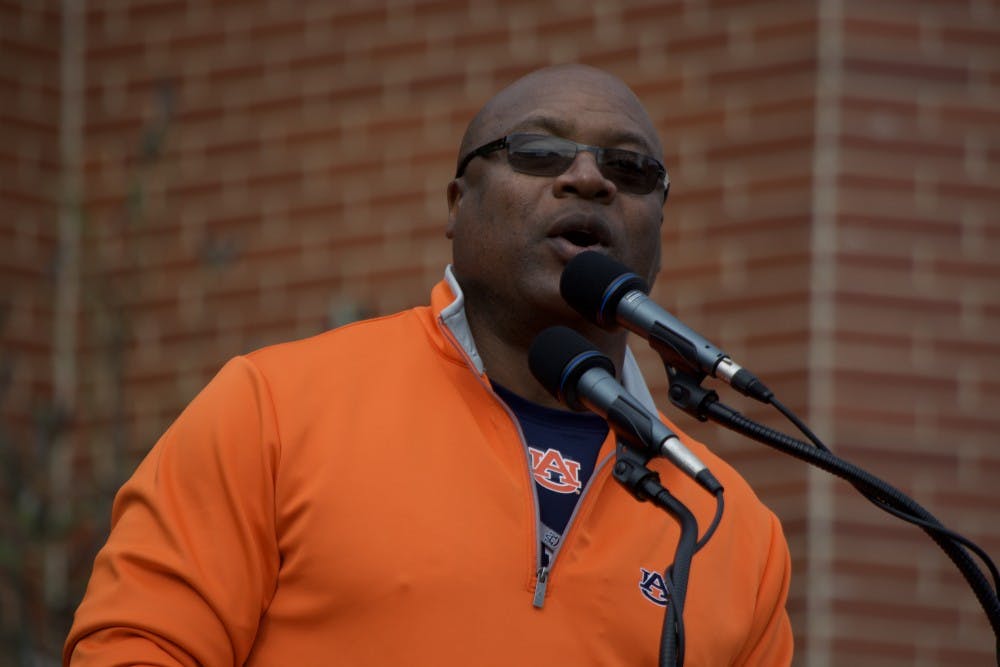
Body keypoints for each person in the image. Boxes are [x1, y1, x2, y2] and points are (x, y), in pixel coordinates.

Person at [64, 64, 793, 666]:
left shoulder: (730, 523)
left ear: (660, 225)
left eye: (629, 167)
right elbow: (134, 647)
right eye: (539, 152)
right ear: (456, 203)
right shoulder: (275, 408)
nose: (588, 179)